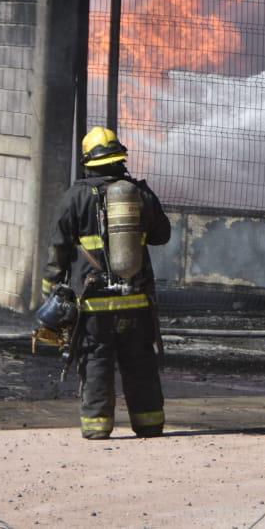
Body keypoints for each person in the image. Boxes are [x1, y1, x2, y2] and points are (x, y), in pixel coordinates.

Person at [40, 126, 172, 439]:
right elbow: (162, 235)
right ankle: (149, 423)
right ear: (119, 159)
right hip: (136, 300)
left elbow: (57, 249)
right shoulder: (139, 194)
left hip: (93, 303)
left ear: (88, 162)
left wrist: (50, 292)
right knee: (140, 360)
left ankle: (97, 427)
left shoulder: (74, 198)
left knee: (96, 358)